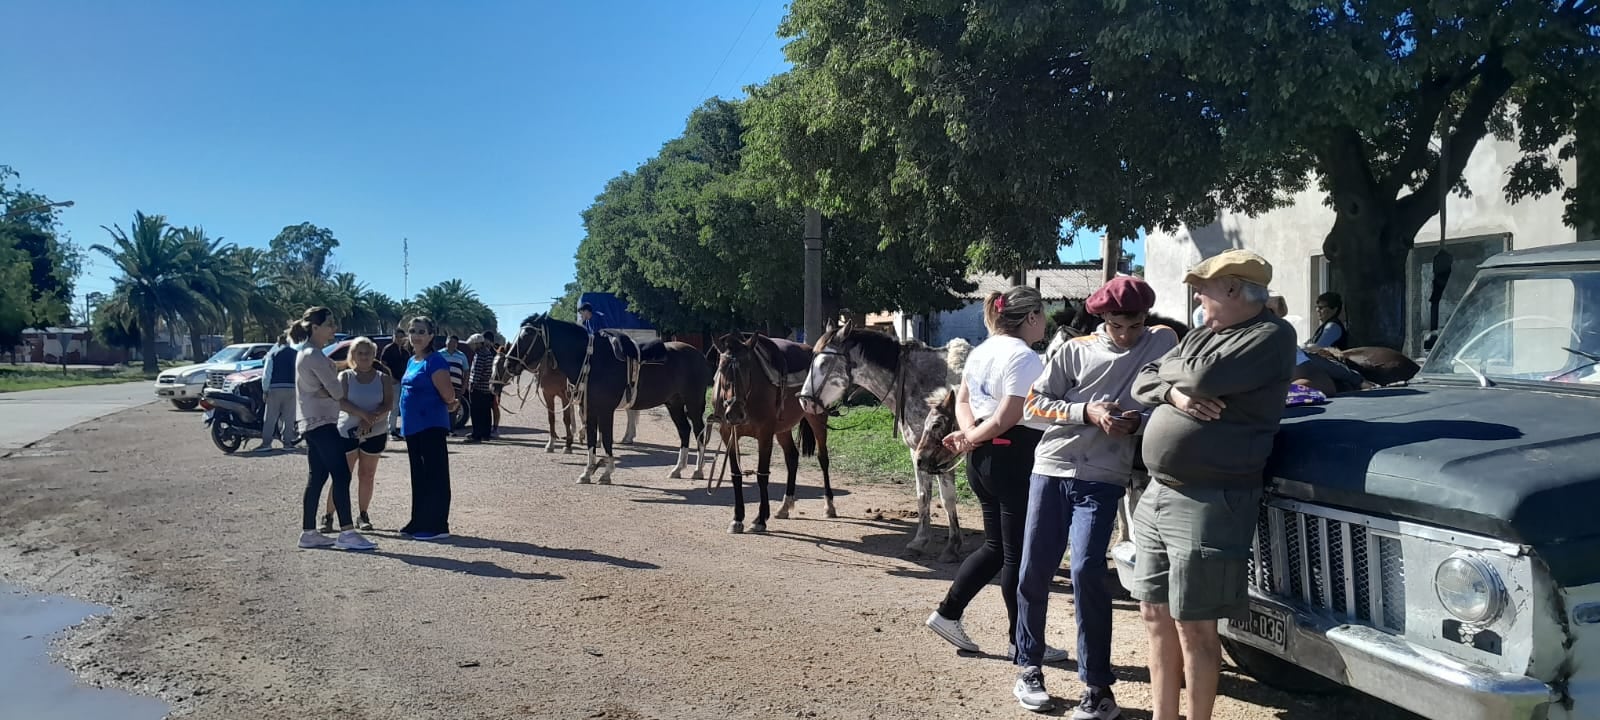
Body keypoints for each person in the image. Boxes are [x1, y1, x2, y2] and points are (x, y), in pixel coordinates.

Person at [1129, 249, 1296, 720]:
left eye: (1203, 286)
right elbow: (1145, 378)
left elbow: (1203, 375)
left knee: (1195, 627)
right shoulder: (1206, 332)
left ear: (1233, 288)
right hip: (1160, 492)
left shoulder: (1269, 335)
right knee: (1154, 615)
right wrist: (1174, 393)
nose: (1196, 294)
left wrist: (1181, 379)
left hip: (1209, 499)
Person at [1011, 277, 1178, 715]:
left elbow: (1164, 404)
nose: (1127, 335)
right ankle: (1029, 665)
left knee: (1087, 571)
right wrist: (1086, 411)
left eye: (1135, 325)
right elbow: (1034, 405)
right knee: (1034, 569)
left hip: (1105, 474)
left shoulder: (1160, 345)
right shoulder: (1073, 349)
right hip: (1052, 468)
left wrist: (1135, 423)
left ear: (1146, 318)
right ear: (1103, 317)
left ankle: (1098, 686)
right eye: (1118, 325)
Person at [924, 287, 1066, 663]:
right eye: (1043, 314)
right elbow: (1008, 416)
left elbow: (965, 402)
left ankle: (948, 612)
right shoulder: (1025, 358)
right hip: (1013, 456)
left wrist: (970, 437)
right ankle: (1020, 641)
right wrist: (972, 436)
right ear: (1031, 317)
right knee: (1016, 556)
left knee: (996, 548)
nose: (1046, 322)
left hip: (984, 459)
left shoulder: (981, 351)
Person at [292, 307, 376, 552]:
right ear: (315, 327)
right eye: (329, 324)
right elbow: (338, 392)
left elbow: (329, 391)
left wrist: (325, 389)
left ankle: (309, 532)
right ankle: (347, 531)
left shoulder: (309, 353)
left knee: (317, 476)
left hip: (313, 421)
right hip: (321, 423)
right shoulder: (313, 356)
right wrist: (328, 388)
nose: (333, 328)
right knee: (341, 474)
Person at [317, 337, 394, 533]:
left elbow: (388, 404)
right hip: (347, 431)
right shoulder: (346, 377)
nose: (364, 356)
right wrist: (363, 415)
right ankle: (329, 515)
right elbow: (340, 401)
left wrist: (371, 420)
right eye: (360, 353)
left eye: (368, 352)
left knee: (367, 475)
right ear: (353, 355)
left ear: (373, 355)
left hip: (375, 432)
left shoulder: (383, 377)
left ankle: (363, 514)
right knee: (342, 475)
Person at [399, 316, 460, 540]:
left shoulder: (435, 361)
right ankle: (418, 520)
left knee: (434, 476)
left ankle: (437, 525)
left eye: (421, 331)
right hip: (413, 428)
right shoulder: (412, 360)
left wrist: (452, 403)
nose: (416, 335)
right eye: (413, 330)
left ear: (431, 336)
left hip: (430, 426)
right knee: (419, 476)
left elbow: (448, 395)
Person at [258, 333, 300, 451]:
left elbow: (267, 374)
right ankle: (287, 443)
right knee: (289, 417)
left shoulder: (273, 355)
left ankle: (266, 443)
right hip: (292, 389)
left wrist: (265, 390)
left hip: (275, 388)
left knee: (270, 417)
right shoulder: (296, 354)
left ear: (279, 342)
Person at [464, 332, 497, 443]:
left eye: (473, 345)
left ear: (477, 344)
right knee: (486, 412)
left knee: (476, 412)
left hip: (478, 388)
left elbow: (476, 373)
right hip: (487, 388)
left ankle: (476, 434)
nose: (471, 347)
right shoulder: (488, 353)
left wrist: (471, 385)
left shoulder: (480, 355)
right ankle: (485, 434)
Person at [380, 328, 410, 440]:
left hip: (404, 382)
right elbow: (382, 364)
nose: (398, 339)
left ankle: (403, 430)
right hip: (393, 382)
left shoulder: (405, 352)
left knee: (403, 406)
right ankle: (391, 430)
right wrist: (390, 377)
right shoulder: (388, 349)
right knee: (394, 407)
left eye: (401, 337)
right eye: (396, 336)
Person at [443, 335, 470, 435]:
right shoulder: (439, 354)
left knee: (454, 407)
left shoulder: (462, 355)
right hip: (442, 386)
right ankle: (443, 430)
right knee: (442, 408)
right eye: (450, 342)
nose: (452, 344)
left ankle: (451, 430)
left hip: (457, 387)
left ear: (457, 344)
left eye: (454, 342)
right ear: (446, 342)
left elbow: (466, 372)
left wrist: (464, 386)